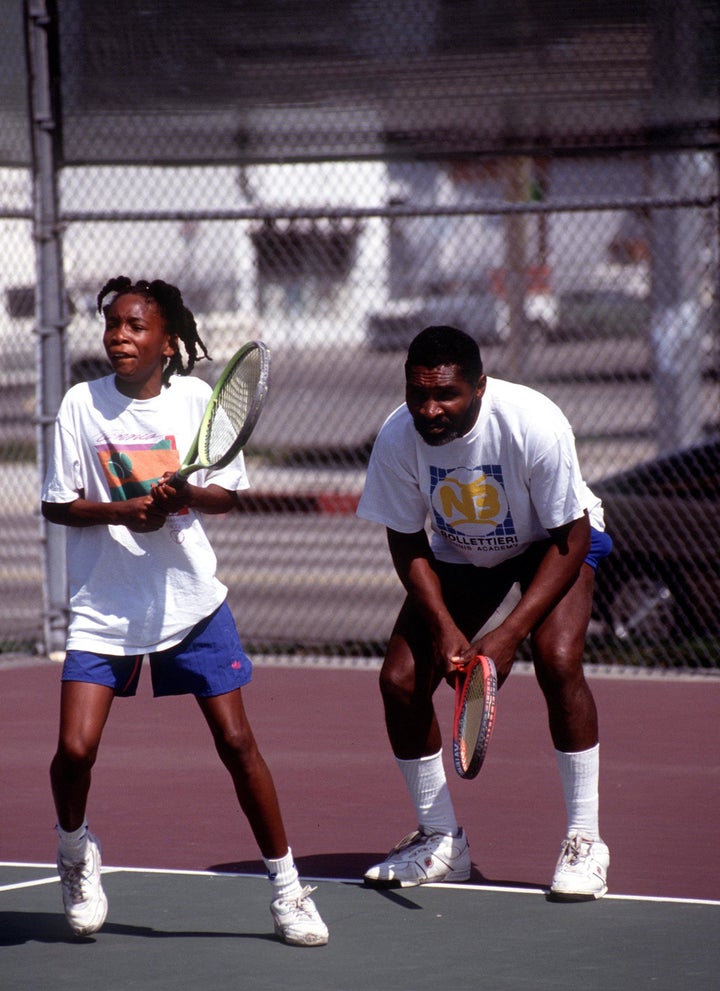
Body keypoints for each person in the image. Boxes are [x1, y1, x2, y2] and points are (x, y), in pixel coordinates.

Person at [41, 276, 328, 946]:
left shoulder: (198, 399)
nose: (119, 336)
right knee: (74, 750)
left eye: (136, 326)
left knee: (236, 742)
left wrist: (183, 497)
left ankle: (287, 889)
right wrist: (122, 510)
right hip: (104, 606)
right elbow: (58, 502)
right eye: (112, 324)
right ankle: (75, 847)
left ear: (167, 341)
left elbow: (227, 494)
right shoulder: (81, 405)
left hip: (192, 602)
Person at [357, 325, 613, 899]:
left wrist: (509, 635)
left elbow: (571, 536)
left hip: (554, 541)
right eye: (418, 394)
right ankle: (442, 842)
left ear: (479, 386)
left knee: (558, 657)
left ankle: (584, 840)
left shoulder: (532, 422)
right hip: (464, 552)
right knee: (400, 681)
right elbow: (407, 542)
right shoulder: (399, 437)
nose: (430, 409)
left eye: (445, 394)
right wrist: (447, 628)